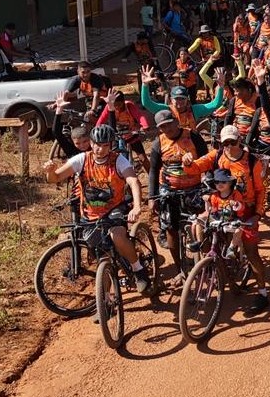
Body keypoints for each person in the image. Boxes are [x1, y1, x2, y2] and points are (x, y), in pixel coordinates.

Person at [44, 125, 150, 294]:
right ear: (91, 143)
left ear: (111, 145)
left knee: (117, 235)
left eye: (105, 145)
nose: (100, 149)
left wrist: (137, 206)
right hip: (89, 213)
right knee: (103, 257)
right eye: (96, 144)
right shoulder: (81, 159)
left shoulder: (118, 160)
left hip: (115, 209)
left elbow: (133, 181)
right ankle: (105, 301)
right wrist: (50, 171)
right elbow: (55, 178)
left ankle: (138, 269)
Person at [181, 125, 269, 314]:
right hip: (220, 208)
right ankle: (211, 265)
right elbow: (195, 168)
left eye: (233, 142)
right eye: (225, 142)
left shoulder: (252, 161)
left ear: (240, 140)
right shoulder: (216, 156)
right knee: (200, 227)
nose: (229, 146)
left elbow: (261, 190)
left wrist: (258, 214)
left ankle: (263, 293)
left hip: (245, 212)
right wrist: (187, 161)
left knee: (252, 252)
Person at [147, 108, 209, 286]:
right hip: (169, 190)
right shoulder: (159, 143)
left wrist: (208, 182)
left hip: (194, 188)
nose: (167, 129)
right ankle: (180, 270)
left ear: (176, 120)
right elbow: (153, 169)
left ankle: (208, 263)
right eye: (162, 127)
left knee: (203, 224)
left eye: (168, 124)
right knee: (170, 230)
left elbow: (206, 160)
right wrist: (152, 196)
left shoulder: (193, 136)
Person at [139, 65, 225, 132]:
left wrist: (221, 87)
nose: (179, 101)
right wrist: (145, 85)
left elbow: (216, 104)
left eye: (182, 99)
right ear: (171, 100)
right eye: (177, 99)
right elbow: (147, 103)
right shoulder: (166, 110)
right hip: (171, 147)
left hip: (191, 144)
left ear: (187, 100)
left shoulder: (194, 110)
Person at [95, 89, 151, 172]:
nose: (117, 107)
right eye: (115, 105)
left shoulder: (129, 106)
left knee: (143, 158)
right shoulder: (109, 107)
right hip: (118, 137)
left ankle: (153, 178)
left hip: (132, 135)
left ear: (123, 101)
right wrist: (97, 129)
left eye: (119, 104)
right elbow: (101, 119)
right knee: (115, 159)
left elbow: (139, 116)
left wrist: (145, 125)